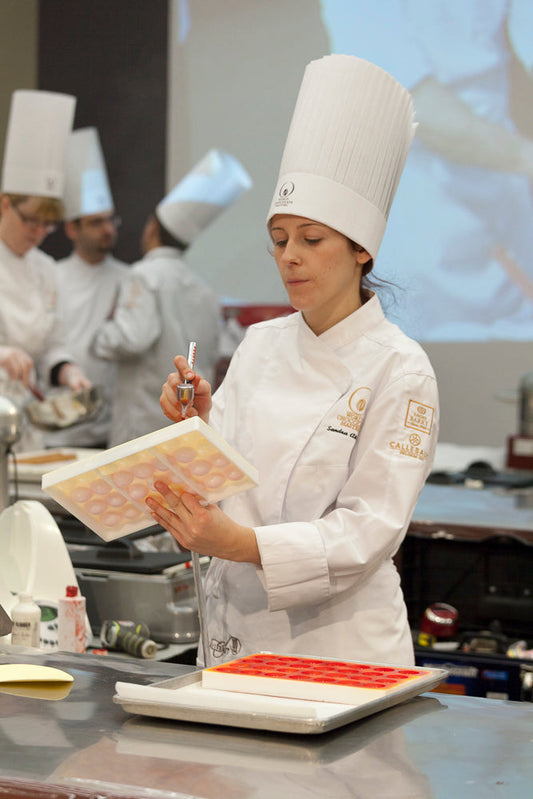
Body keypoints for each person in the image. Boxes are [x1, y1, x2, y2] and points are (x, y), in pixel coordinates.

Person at [146, 55, 440, 669]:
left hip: (339, 648)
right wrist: (197, 424)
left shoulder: (402, 371)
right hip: (237, 635)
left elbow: (368, 531)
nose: (289, 258)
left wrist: (243, 544)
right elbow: (227, 480)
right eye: (279, 241)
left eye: (311, 239)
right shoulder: (261, 344)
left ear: (361, 250)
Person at [319, 0, 533, 341]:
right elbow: (413, 106)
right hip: (415, 204)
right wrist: (524, 157)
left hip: (505, 191)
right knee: (430, 356)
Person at [92, 149, 252, 446]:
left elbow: (132, 338)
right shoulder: (203, 289)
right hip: (187, 423)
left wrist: (101, 336)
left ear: (152, 228)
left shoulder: (143, 275)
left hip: (143, 423)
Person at [0, 90, 91, 450]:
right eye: (30, 221)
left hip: (25, 419)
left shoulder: (45, 268)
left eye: (46, 225)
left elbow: (53, 343)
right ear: (4, 205)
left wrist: (69, 371)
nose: (38, 232)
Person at [46, 128, 128, 449]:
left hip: (109, 428)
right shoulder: (51, 276)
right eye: (96, 222)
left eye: (110, 220)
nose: (107, 229)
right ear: (71, 228)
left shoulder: (129, 279)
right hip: (56, 427)